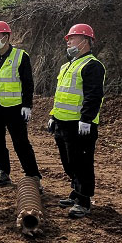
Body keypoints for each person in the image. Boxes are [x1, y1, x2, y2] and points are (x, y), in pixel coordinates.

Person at [48, 23, 105, 219]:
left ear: (86, 41)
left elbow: (94, 95)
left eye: (72, 38)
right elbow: (60, 95)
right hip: (63, 122)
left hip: (80, 125)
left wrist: (86, 119)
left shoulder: (93, 65)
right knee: (69, 161)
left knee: (82, 163)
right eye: (69, 39)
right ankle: (75, 192)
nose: (69, 41)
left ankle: (84, 201)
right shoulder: (68, 65)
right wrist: (53, 116)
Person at [0, 21, 41, 186]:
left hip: (14, 108)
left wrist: (27, 105)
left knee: (21, 143)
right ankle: (3, 172)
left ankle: (33, 175)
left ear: (6, 37)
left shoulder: (20, 56)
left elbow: (28, 83)